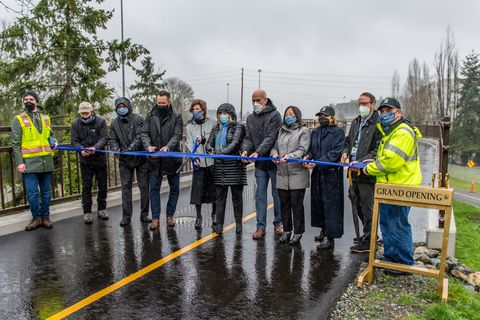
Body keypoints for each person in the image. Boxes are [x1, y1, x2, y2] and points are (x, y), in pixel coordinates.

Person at [364, 97, 422, 275]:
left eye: (389, 111)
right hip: (391, 187)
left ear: (399, 112)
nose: (384, 115)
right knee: (389, 223)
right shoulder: (392, 131)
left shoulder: (402, 132)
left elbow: (391, 161)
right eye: (382, 111)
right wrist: (373, 160)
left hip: (400, 187)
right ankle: (391, 258)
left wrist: (369, 168)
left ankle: (402, 264)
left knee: (397, 224)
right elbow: (385, 157)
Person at [340, 92, 381, 253]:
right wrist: (345, 152)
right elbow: (349, 141)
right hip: (353, 171)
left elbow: (377, 149)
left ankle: (370, 240)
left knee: (367, 206)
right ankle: (366, 234)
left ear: (373, 104)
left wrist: (364, 161)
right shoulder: (356, 122)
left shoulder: (377, 123)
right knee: (355, 202)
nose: (361, 107)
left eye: (365, 103)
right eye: (360, 103)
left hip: (366, 171)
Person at [11, 91, 57, 231]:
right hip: (29, 162)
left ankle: (46, 217)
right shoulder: (18, 119)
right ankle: (36, 218)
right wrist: (19, 162)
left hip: (46, 161)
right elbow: (15, 143)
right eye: (25, 99)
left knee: (46, 192)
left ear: (36, 101)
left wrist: (54, 142)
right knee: (32, 193)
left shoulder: (46, 118)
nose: (28, 101)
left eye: (31, 99)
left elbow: (50, 136)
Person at [241, 89, 283, 240]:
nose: (255, 103)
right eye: (253, 100)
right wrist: (246, 150)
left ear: (265, 100)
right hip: (260, 165)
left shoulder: (275, 116)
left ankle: (278, 223)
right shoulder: (250, 118)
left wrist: (258, 152)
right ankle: (260, 227)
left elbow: (271, 137)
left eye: (258, 100)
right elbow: (248, 138)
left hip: (273, 161)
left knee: (277, 195)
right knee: (260, 196)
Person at [305, 106, 345, 250]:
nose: (322, 118)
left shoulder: (338, 132)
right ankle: (323, 230)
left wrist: (318, 162)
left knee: (331, 206)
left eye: (325, 115)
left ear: (332, 117)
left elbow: (336, 152)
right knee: (319, 203)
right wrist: (308, 157)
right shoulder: (315, 132)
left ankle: (331, 237)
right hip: (317, 173)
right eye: (320, 115)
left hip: (331, 174)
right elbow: (311, 149)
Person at [142, 90, 183, 230]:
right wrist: (148, 146)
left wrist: (167, 147)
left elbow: (177, 135)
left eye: (163, 103)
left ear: (169, 102)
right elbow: (144, 133)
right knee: (154, 189)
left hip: (172, 158)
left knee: (175, 189)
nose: (160, 105)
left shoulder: (177, 116)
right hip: (155, 160)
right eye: (158, 102)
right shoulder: (150, 115)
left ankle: (170, 215)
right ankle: (155, 218)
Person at [271, 106, 310, 245]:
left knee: (297, 205)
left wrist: (289, 156)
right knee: (284, 205)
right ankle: (287, 230)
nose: (289, 116)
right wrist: (274, 154)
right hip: (282, 173)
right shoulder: (281, 131)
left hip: (297, 174)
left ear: (297, 116)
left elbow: (302, 149)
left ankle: (298, 232)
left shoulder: (303, 131)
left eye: (292, 114)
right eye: (287, 114)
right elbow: (274, 146)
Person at [109, 97, 151, 226]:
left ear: (128, 106)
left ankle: (144, 214)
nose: (121, 108)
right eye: (119, 107)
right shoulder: (114, 123)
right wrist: (116, 149)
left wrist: (130, 149)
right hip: (124, 160)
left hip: (140, 159)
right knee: (126, 188)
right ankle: (126, 216)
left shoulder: (138, 119)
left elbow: (140, 136)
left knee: (144, 186)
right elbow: (112, 139)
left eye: (123, 106)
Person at [207, 103, 246, 235]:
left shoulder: (238, 127)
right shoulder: (216, 128)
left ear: (231, 115)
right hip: (219, 168)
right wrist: (210, 150)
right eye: (220, 113)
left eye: (225, 113)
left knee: (237, 198)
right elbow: (208, 144)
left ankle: (239, 223)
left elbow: (235, 143)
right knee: (220, 198)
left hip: (235, 167)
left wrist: (221, 152)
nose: (222, 116)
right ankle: (219, 225)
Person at [71, 101, 109, 224]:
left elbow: (104, 138)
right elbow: (74, 141)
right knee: (86, 187)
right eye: (82, 113)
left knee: (102, 185)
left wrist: (95, 148)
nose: (85, 115)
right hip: (85, 160)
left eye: (86, 113)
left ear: (91, 112)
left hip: (99, 159)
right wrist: (81, 149)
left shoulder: (100, 122)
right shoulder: (75, 124)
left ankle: (102, 209)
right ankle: (87, 212)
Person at [185, 99, 217, 230]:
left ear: (203, 110)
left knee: (214, 191)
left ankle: (214, 215)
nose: (196, 111)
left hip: (211, 163)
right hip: (199, 163)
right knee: (198, 192)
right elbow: (189, 144)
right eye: (194, 109)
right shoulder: (189, 126)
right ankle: (198, 217)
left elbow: (214, 140)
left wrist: (206, 141)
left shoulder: (212, 123)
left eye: (198, 109)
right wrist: (194, 158)